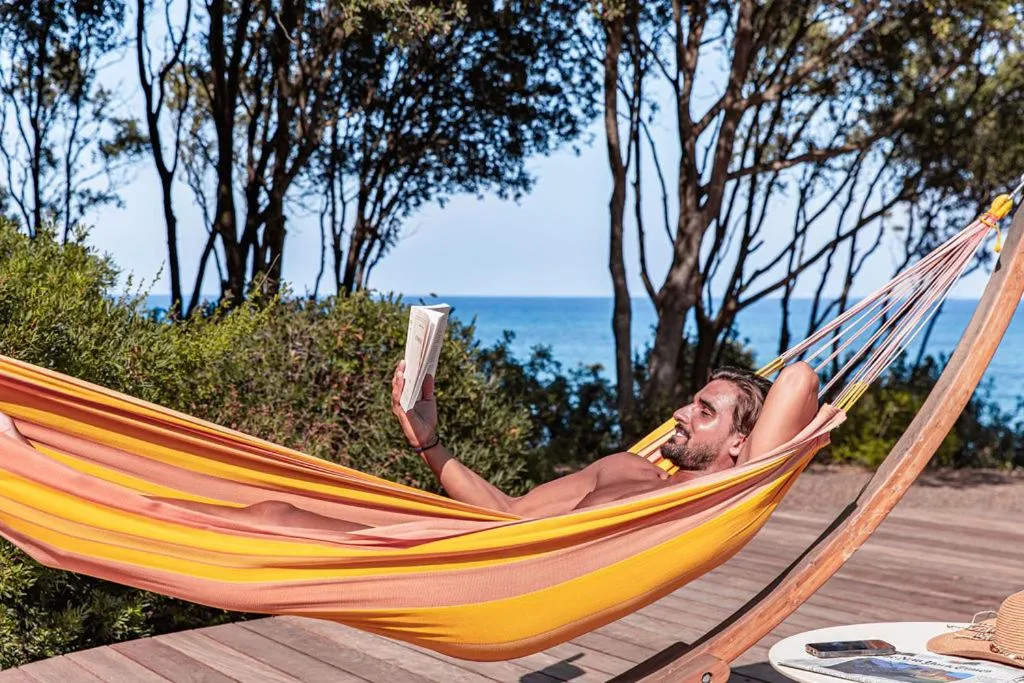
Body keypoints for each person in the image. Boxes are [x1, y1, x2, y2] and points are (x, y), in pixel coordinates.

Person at [390, 360, 819, 516]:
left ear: (741, 443)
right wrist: (428, 441)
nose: (681, 414)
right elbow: (510, 511)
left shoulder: (719, 498)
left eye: (704, 411)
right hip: (503, 572)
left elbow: (798, 379)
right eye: (692, 402)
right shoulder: (625, 467)